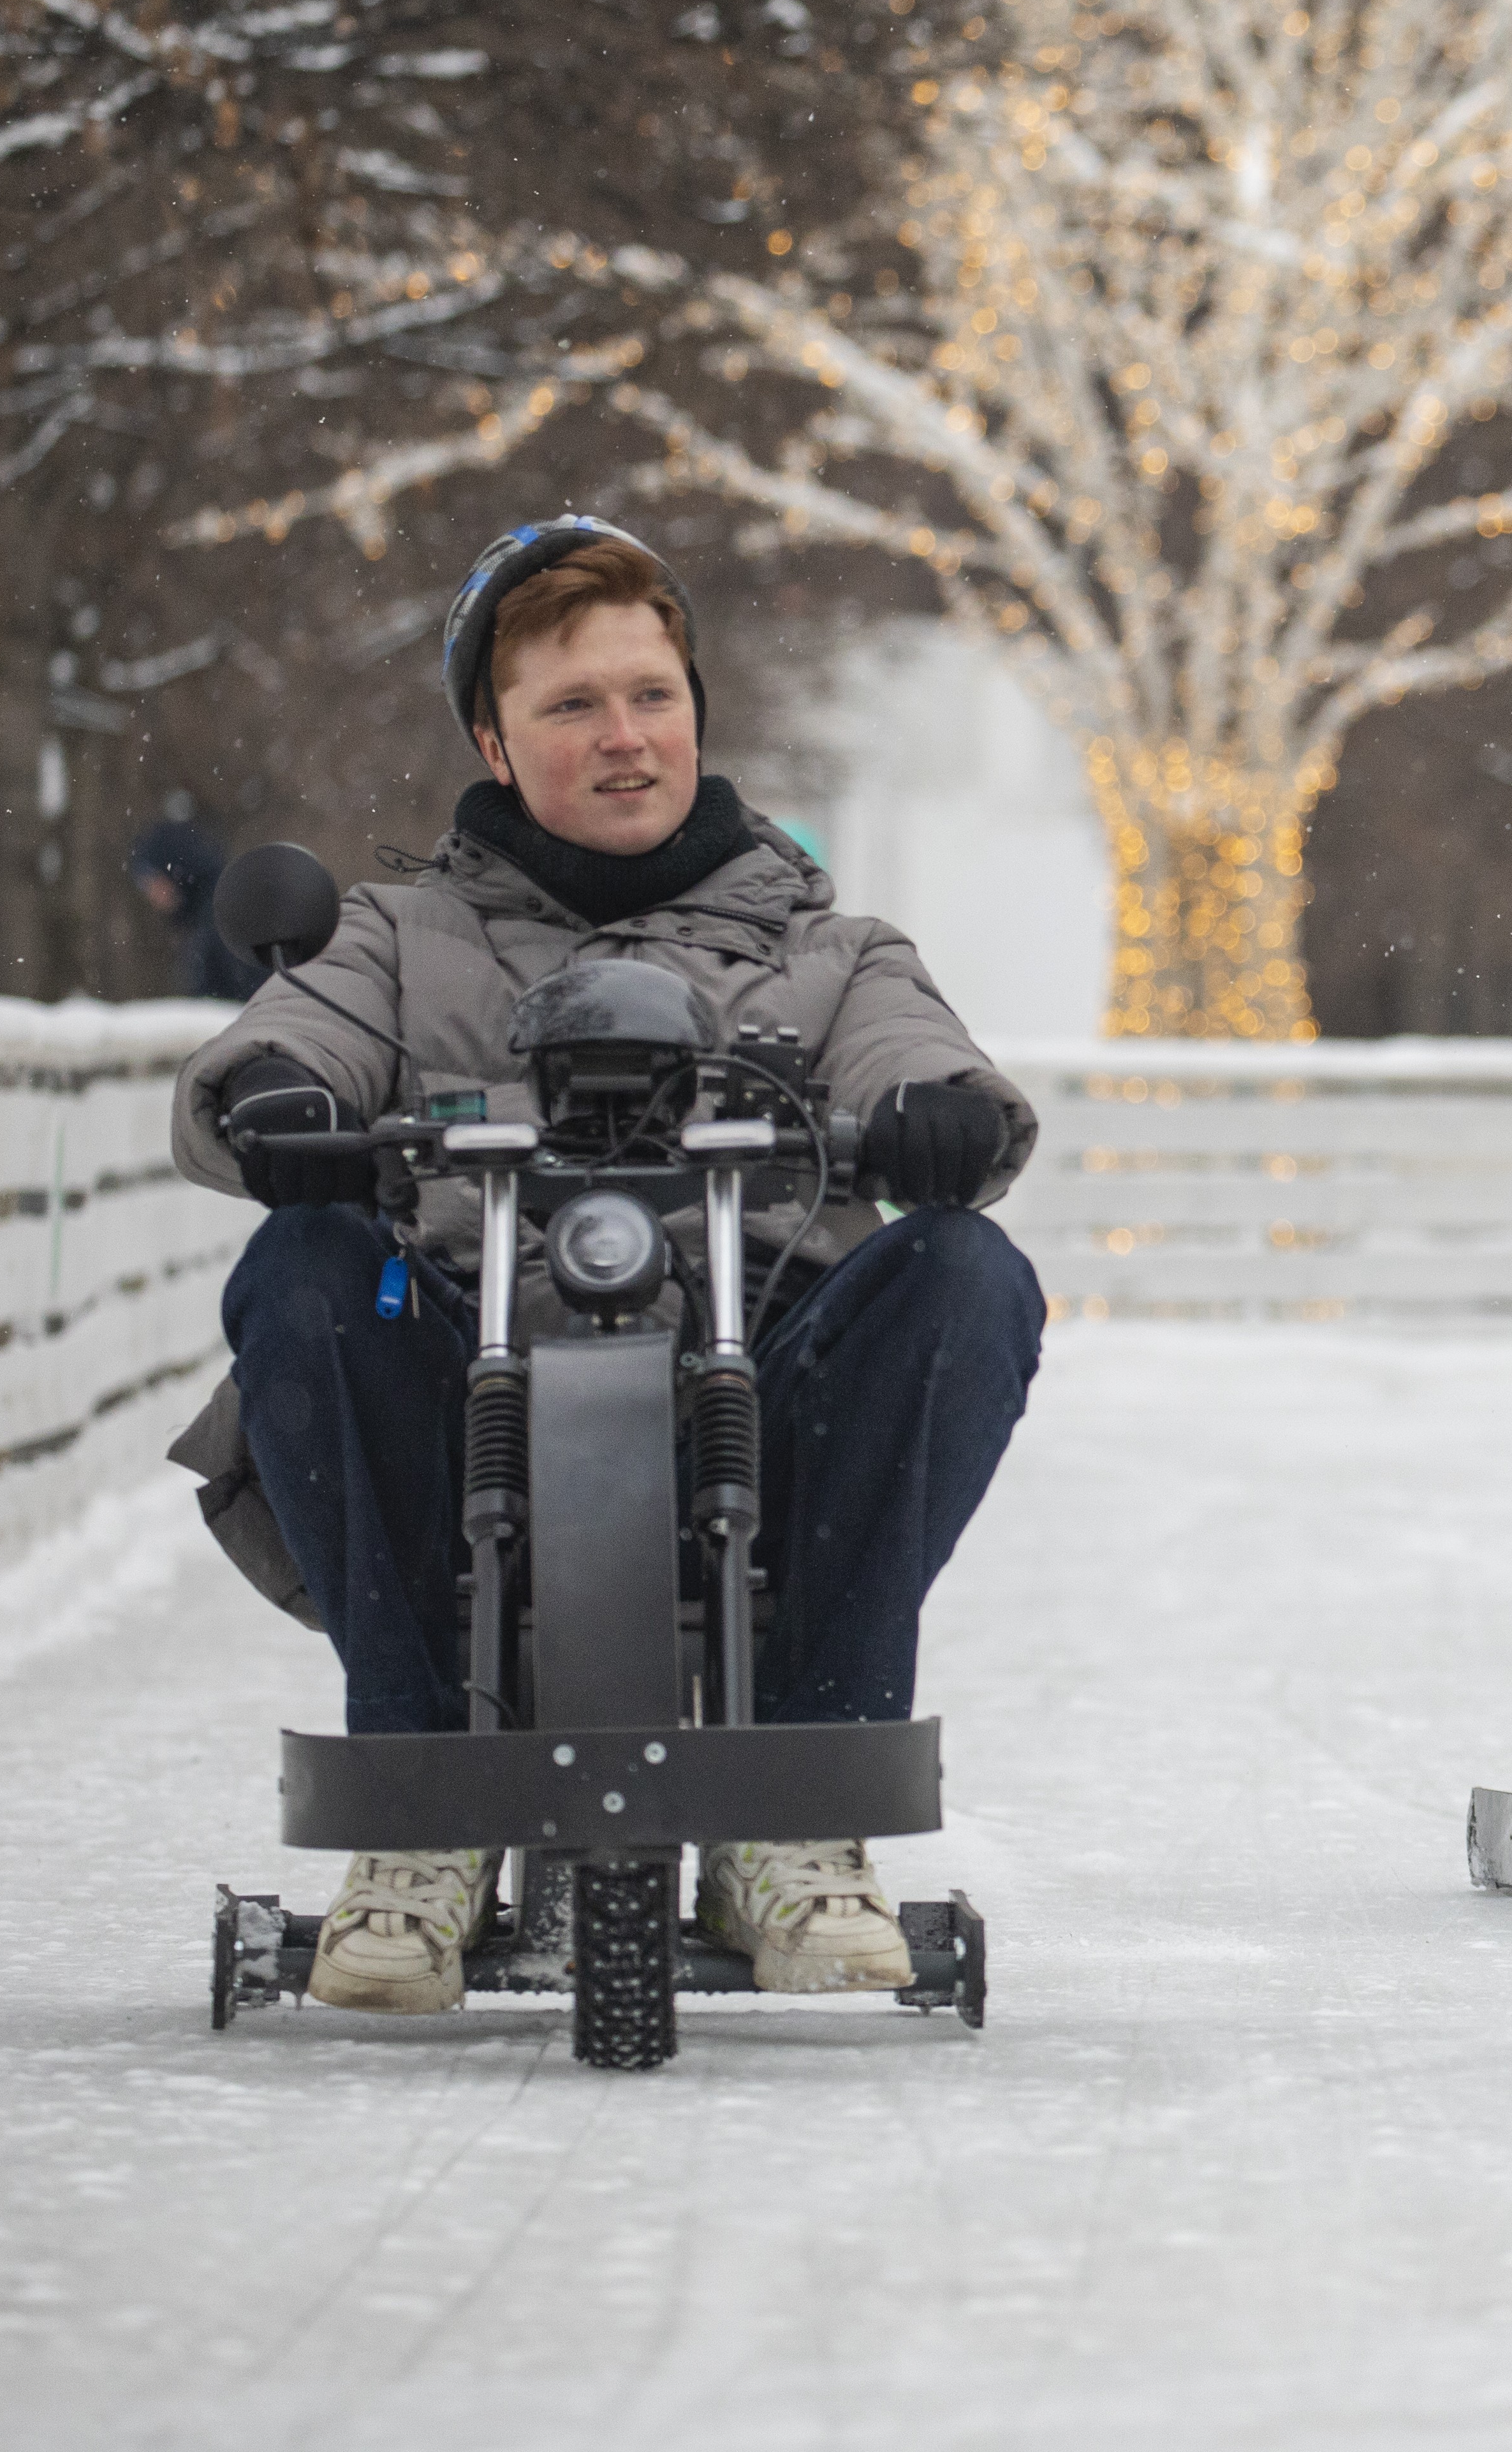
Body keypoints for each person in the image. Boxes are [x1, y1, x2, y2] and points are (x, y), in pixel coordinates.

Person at [165, 517, 1046, 2015]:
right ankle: (417, 1812)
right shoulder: (393, 935)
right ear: (494, 745)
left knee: (967, 1272)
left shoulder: (834, 950)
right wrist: (277, 1092)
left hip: (761, 1371)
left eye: (652, 697)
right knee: (302, 1262)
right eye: (572, 707)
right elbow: (286, 1033)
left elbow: (921, 1053)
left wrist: (933, 1114)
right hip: (463, 1356)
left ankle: (798, 1813)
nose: (624, 739)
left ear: (700, 711)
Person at [128, 805, 258, 1001]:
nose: (152, 896)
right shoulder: (218, 913)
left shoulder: (217, 930)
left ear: (175, 875)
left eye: (152, 882)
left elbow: (217, 1009)